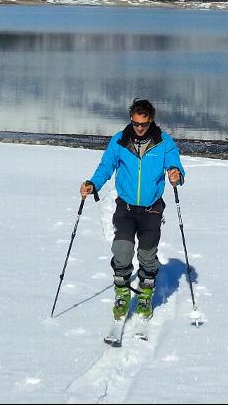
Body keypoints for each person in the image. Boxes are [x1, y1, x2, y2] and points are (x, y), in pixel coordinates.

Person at [80, 98, 185, 321]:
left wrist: (176, 174)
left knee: (147, 256)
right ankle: (122, 293)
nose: (139, 128)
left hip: (151, 209)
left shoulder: (163, 142)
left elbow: (175, 165)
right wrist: (93, 184)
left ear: (151, 121)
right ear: (131, 119)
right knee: (122, 250)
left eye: (144, 124)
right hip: (126, 207)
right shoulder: (120, 141)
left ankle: (146, 293)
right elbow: (106, 166)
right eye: (136, 123)